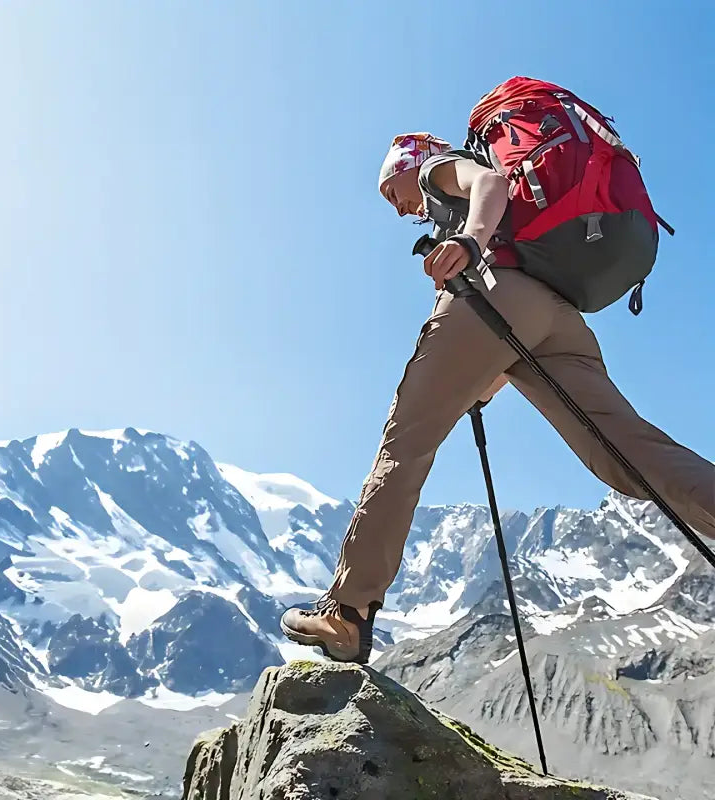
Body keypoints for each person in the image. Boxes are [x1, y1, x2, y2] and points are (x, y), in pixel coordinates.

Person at [280, 132, 715, 665]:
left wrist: (469, 242)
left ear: (406, 164)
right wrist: (477, 388)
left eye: (387, 190)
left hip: (492, 294)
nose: (395, 207)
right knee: (627, 454)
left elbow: (489, 182)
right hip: (556, 317)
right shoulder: (476, 212)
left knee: (405, 445)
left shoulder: (437, 168)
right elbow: (496, 357)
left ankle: (345, 614)